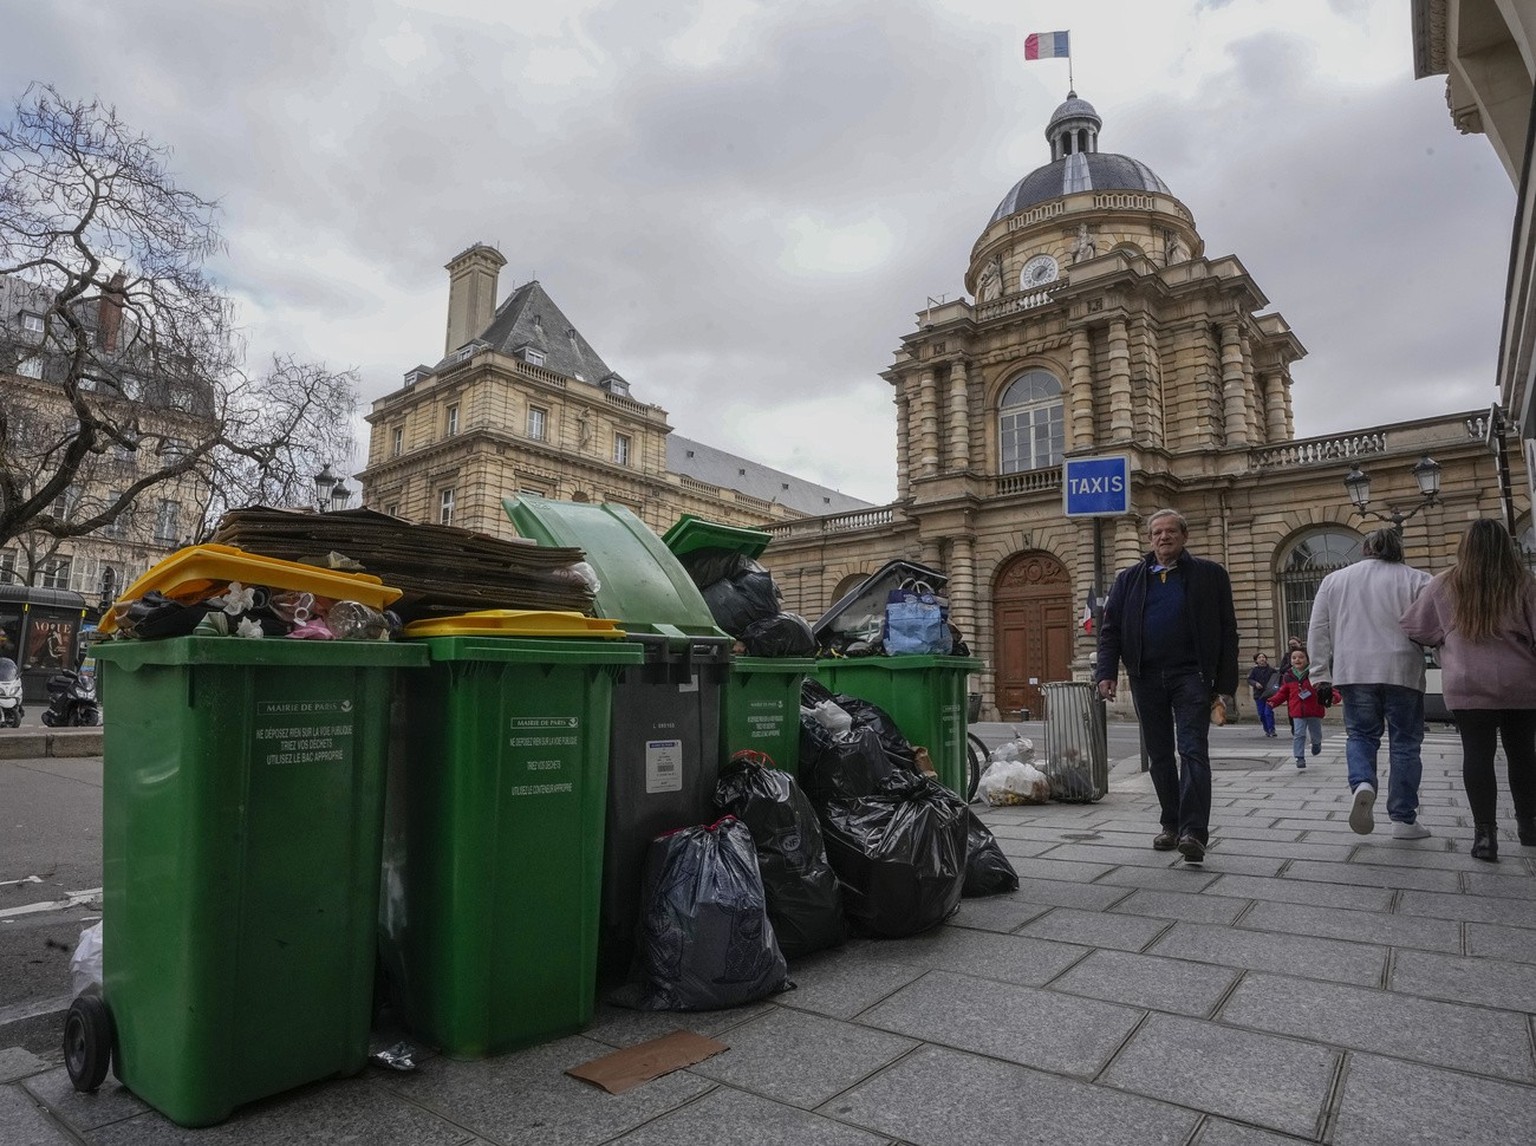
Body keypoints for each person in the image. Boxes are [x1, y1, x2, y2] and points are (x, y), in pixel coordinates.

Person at [1096, 508, 1239, 863]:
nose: (1164, 537)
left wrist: (1225, 684)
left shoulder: (1210, 575)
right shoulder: (1129, 579)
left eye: (1171, 531)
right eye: (1157, 532)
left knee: (1192, 750)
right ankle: (1171, 823)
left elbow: (1227, 631)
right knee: (1159, 755)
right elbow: (1110, 630)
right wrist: (1106, 672)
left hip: (1191, 675)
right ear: (1149, 539)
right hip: (1146, 676)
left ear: (1184, 536)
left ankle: (1194, 832)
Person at [1400, 519, 1536, 861]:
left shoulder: (1444, 583)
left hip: (1467, 682)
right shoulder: (1523, 582)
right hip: (1521, 683)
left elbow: (1414, 627)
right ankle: (1529, 828)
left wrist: (1446, 638)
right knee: (1523, 757)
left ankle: (1485, 837)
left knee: (1477, 755)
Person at [1307, 527, 1432, 839]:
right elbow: (1433, 629)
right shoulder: (1419, 580)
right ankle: (1403, 820)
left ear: (1365, 549)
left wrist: (1320, 675)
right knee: (1405, 743)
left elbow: (1318, 629)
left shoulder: (1335, 580)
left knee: (1361, 735)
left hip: (1354, 670)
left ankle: (1362, 782)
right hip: (1403, 669)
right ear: (1397, 549)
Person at [1268, 648, 1338, 768]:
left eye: (1301, 657)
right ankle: (1299, 757)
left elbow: (1328, 688)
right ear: (1290, 661)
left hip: (1314, 710)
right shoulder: (1288, 676)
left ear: (1307, 659)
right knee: (1299, 734)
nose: (1297, 660)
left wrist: (1334, 697)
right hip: (1297, 711)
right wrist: (1273, 701)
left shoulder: (1314, 674)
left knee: (1315, 733)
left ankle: (1316, 744)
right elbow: (1283, 692)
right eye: (1294, 658)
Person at [1246, 653, 1278, 737]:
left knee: (1268, 712)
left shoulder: (1272, 670)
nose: (1262, 659)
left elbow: (1277, 679)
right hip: (1259, 695)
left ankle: (1272, 730)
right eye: (1259, 657)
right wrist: (1255, 683)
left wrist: (1275, 689)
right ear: (1256, 660)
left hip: (1269, 695)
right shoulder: (1254, 670)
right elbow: (1249, 679)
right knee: (1261, 714)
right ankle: (1267, 729)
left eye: (1263, 657)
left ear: (1266, 659)